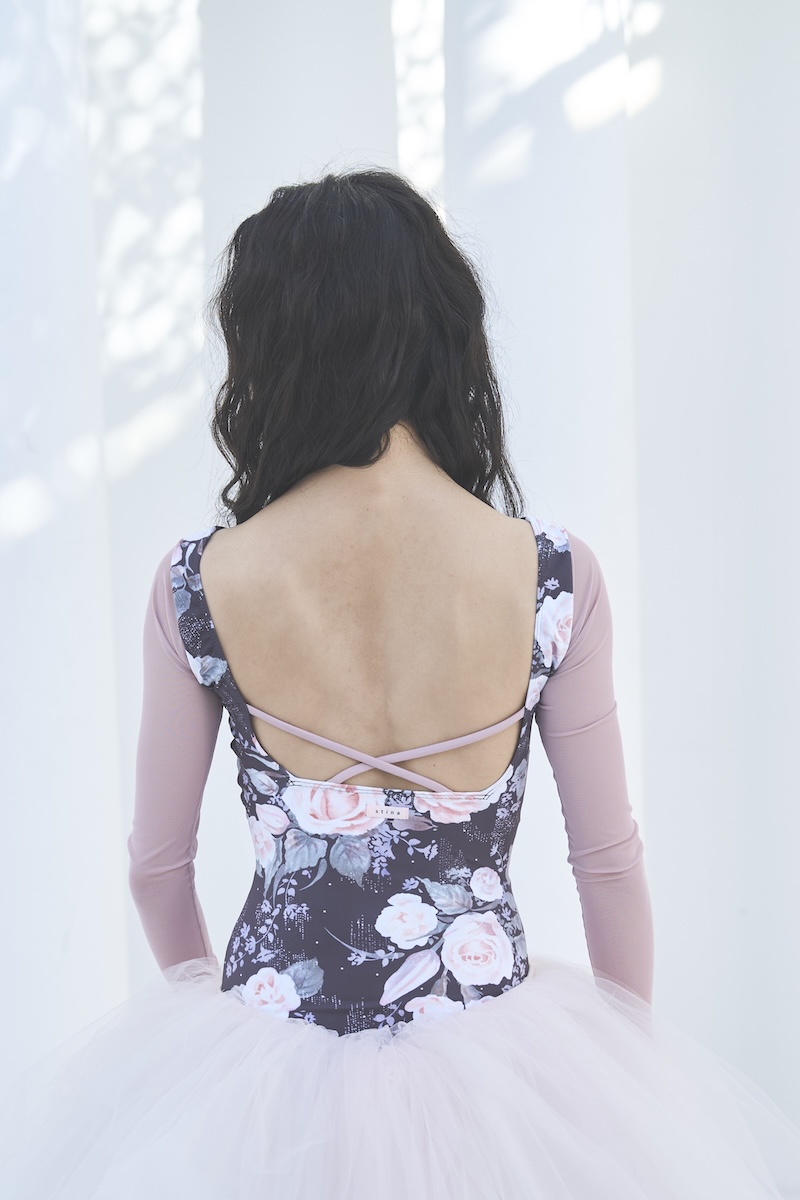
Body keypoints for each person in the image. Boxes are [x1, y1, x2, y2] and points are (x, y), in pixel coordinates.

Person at [2, 168, 799, 1198]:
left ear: (268, 348)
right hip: (500, 1064)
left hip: (265, 1061)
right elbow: (607, 866)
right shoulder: (551, 575)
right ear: (442, 331)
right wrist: (627, 1087)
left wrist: (212, 1032)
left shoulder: (198, 583)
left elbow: (157, 869)